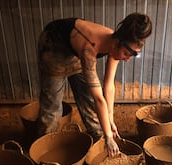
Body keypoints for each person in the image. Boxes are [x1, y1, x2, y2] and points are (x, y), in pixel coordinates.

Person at [36, 13, 152, 157]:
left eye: (132, 55)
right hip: (53, 46)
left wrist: (110, 119)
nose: (127, 59)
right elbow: (99, 98)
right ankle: (44, 152)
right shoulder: (88, 49)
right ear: (116, 44)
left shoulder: (117, 43)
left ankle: (100, 142)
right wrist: (110, 137)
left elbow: (109, 86)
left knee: (89, 102)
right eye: (126, 54)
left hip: (75, 51)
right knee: (52, 108)